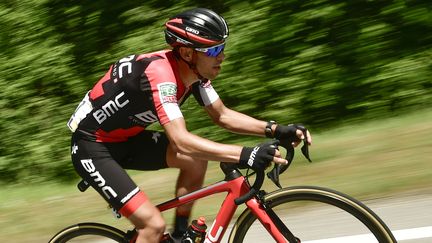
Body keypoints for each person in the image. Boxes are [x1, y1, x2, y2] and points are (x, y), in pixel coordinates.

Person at [67, 7, 312, 243]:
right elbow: (181, 140)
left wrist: (277, 129)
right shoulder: (160, 75)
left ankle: (179, 235)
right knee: (152, 226)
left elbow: (222, 116)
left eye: (222, 48)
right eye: (214, 51)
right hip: (93, 147)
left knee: (195, 160)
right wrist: (245, 153)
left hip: (127, 140)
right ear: (187, 53)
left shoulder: (195, 74)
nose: (222, 57)